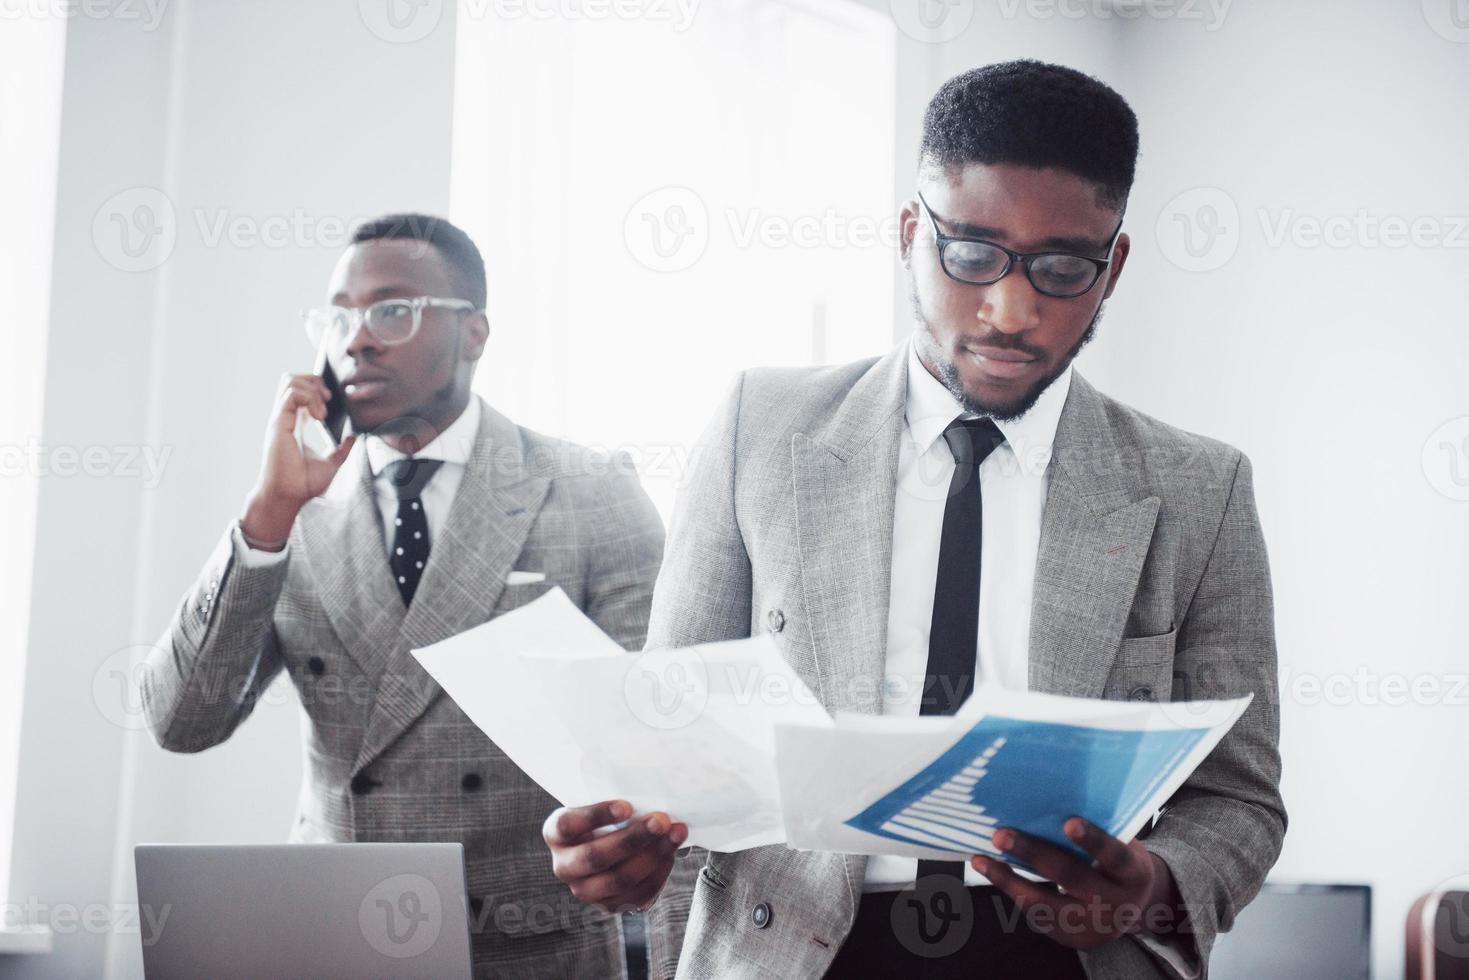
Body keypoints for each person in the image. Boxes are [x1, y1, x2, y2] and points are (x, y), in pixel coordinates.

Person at [544, 61, 1285, 980]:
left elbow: (1240, 799)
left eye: (1060, 269)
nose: (1008, 312)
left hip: (1065, 956)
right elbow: (667, 736)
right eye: (969, 254)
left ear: (1113, 267)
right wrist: (627, 838)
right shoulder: (758, 429)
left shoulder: (1197, 488)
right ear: (908, 234)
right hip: (793, 949)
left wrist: (1155, 884)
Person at [141, 214, 668, 978]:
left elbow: (653, 745)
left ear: (475, 333)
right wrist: (266, 516)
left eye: (391, 310)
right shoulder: (295, 510)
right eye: (339, 315)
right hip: (331, 939)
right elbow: (181, 722)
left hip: (529, 949)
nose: (355, 338)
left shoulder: (592, 493)